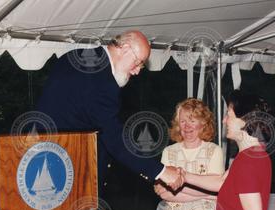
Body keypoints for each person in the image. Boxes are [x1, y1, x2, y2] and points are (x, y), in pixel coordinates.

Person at [36, 30, 181, 191]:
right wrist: (160, 171)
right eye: (138, 62)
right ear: (125, 48)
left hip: (41, 158)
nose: (137, 71)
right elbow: (114, 138)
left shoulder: (75, 56)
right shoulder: (102, 83)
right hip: (70, 174)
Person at [182, 91, 273, 210]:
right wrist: (182, 175)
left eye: (228, 115)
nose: (224, 121)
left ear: (245, 120)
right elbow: (221, 183)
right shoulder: (252, 154)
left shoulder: (248, 161)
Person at [154, 98, 224, 210]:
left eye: (192, 120)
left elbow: (218, 188)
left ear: (203, 123)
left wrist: (179, 189)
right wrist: (208, 193)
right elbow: (163, 193)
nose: (186, 126)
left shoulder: (214, 151)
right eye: (183, 121)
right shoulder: (169, 152)